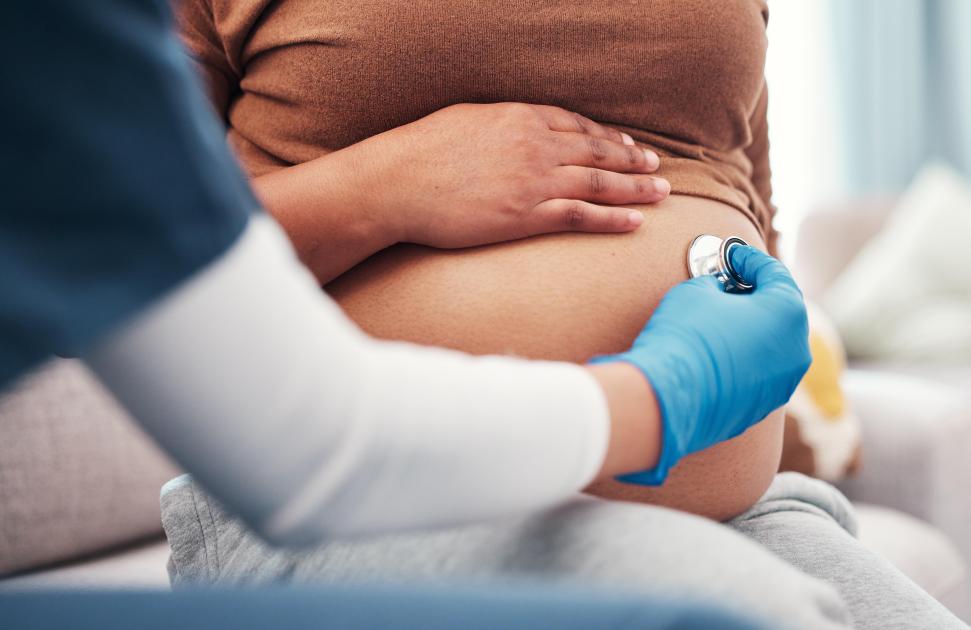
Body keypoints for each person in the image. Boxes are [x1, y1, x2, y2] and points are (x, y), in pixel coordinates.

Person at [0, 1, 961, 629]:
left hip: (723, 501)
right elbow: (131, 255)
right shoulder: (71, 38)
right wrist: (384, 186)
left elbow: (742, 193)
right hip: (349, 517)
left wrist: (765, 370)